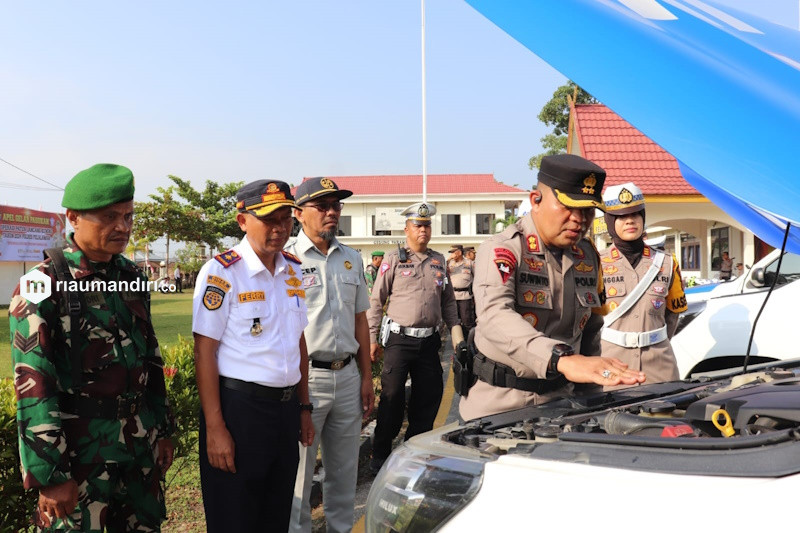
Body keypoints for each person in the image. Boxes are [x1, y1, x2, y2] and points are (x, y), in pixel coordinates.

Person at [9, 163, 175, 531]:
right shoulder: (42, 284)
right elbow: (33, 383)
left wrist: (162, 428)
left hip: (138, 448)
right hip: (80, 457)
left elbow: (150, 355)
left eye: (128, 216)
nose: (123, 227)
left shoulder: (131, 276)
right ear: (73, 218)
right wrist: (50, 474)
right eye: (109, 217)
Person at [459, 154, 645, 420]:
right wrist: (560, 359)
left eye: (588, 210)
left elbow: (590, 328)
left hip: (563, 404)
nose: (579, 219)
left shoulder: (587, 255)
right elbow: (494, 316)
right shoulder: (504, 249)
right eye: (569, 206)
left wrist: (593, 399)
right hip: (501, 406)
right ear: (536, 200)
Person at [192, 180, 315, 533]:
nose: (279, 228)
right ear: (242, 220)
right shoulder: (222, 272)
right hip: (240, 411)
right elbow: (205, 351)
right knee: (235, 516)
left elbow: (298, 341)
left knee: (276, 514)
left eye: (285, 218)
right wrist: (215, 428)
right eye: (268, 219)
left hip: (285, 410)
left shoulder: (292, 268)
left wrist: (304, 408)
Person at [285, 177, 375, 533]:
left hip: (349, 376)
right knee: (300, 475)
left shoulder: (351, 258)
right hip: (308, 379)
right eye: (321, 206)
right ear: (298, 213)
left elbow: (360, 322)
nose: (331, 212)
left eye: (335, 205)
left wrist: (367, 378)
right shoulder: (286, 259)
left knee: (343, 471)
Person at [367, 202, 461, 472]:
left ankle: (413, 451)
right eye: (418, 225)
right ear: (406, 229)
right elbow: (376, 300)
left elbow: (449, 304)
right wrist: (373, 339)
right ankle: (381, 453)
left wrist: (458, 340)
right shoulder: (393, 258)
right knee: (392, 396)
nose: (423, 230)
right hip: (399, 340)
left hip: (429, 341)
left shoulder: (438, 261)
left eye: (427, 225)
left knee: (428, 398)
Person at [599, 182, 688, 389]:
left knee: (665, 419)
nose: (630, 220)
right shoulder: (597, 263)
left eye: (636, 214)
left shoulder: (666, 262)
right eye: (621, 216)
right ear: (610, 221)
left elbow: (673, 315)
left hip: (659, 365)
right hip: (611, 364)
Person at [447, 244, 476, 337]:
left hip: (465, 297)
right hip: (452, 297)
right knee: (454, 324)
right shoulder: (449, 264)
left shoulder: (469, 263)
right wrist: (448, 259)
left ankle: (470, 345)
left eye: (453, 252)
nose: (452, 255)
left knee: (467, 322)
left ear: (459, 252)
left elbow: (477, 279)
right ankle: (458, 347)